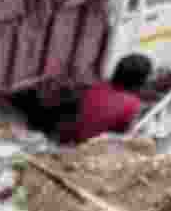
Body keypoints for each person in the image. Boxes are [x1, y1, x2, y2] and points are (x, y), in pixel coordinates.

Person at [9, 53, 153, 145]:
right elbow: (123, 138)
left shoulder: (96, 86)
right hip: (88, 148)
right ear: (140, 81)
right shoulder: (133, 105)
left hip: (69, 137)